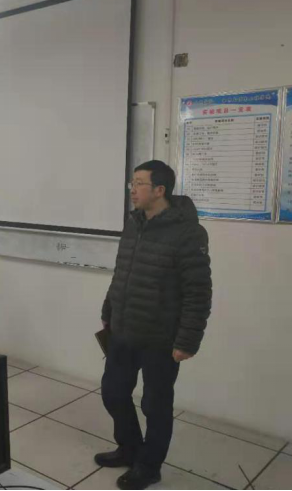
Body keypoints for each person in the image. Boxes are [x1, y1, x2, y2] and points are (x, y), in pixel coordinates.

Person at [95, 160, 212, 490]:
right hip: (123, 328)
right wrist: (109, 308)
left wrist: (187, 341)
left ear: (160, 190)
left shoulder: (187, 232)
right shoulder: (133, 223)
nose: (133, 190)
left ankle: (149, 466)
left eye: (139, 183)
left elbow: (198, 291)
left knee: (155, 405)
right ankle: (130, 448)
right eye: (131, 183)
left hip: (160, 336)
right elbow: (122, 271)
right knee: (113, 393)